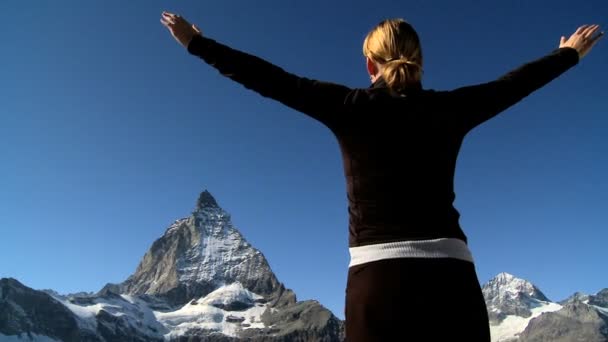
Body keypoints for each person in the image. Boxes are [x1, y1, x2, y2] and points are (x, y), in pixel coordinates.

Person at [160, 11, 602, 341]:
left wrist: (198, 43)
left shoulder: (349, 106)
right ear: (420, 63)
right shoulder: (449, 109)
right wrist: (567, 55)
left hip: (379, 282)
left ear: (370, 66)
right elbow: (513, 85)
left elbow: (270, 79)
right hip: (451, 282)